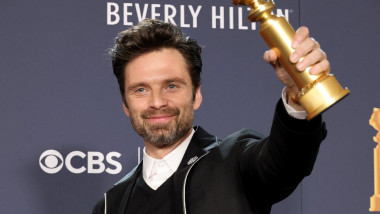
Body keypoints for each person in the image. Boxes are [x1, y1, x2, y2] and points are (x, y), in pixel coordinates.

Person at [93, 18, 328, 214]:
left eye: (171, 86)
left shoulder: (235, 161)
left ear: (196, 95)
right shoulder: (110, 205)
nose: (157, 103)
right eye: (141, 90)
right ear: (125, 104)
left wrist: (299, 93)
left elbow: (287, 161)